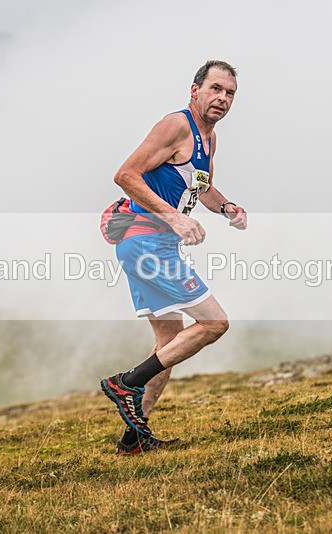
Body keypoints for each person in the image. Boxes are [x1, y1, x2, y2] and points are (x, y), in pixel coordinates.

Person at [100, 60, 248, 454]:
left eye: (230, 93)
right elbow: (126, 174)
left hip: (153, 243)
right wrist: (173, 218)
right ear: (195, 90)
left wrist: (227, 207)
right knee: (215, 323)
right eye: (215, 88)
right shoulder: (176, 125)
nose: (222, 98)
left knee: (168, 340)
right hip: (146, 239)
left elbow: (203, 187)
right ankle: (125, 382)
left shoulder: (208, 139)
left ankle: (134, 438)